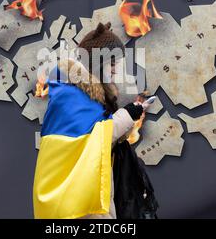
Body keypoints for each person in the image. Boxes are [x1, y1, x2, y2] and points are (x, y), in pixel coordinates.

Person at [33, 22, 150, 219]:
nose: (115, 70)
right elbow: (96, 136)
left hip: (83, 197)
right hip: (76, 204)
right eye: (112, 63)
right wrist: (128, 114)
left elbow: (97, 139)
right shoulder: (72, 94)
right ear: (97, 62)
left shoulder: (83, 95)